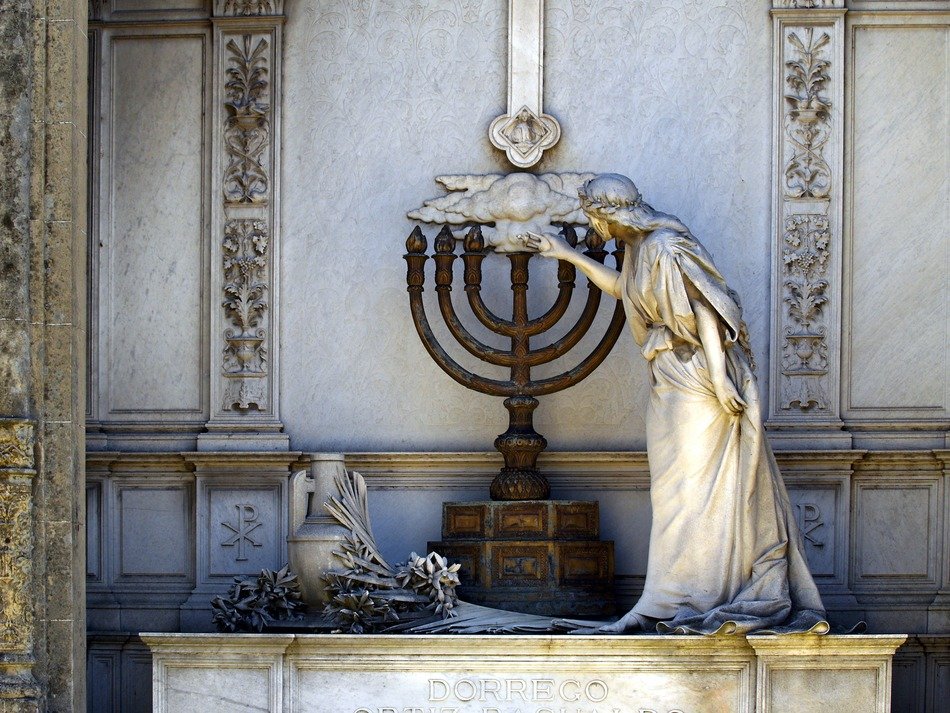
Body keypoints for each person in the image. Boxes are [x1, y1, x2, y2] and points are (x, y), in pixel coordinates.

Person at [522, 174, 827, 635]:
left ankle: (683, 598)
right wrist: (565, 255)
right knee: (672, 494)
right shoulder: (638, 247)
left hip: (696, 375)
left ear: (606, 212)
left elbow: (707, 308)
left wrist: (722, 380)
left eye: (591, 216)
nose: (590, 226)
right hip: (667, 375)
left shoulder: (664, 245)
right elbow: (625, 290)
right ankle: (668, 596)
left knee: (693, 491)